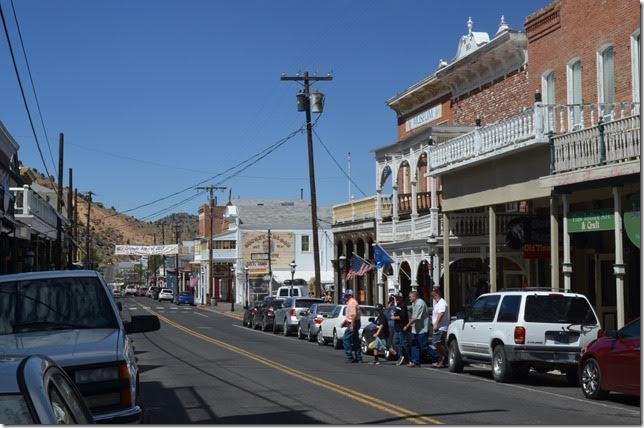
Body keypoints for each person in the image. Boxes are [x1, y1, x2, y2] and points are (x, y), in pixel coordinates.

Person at [403, 291, 430, 367]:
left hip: (422, 329)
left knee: (424, 346)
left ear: (415, 296)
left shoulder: (420, 303)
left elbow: (416, 318)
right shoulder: (414, 303)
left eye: (410, 296)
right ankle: (415, 361)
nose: (409, 298)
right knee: (414, 345)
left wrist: (407, 325)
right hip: (416, 329)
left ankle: (437, 356)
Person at [342, 289, 362, 363]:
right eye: (345, 296)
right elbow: (350, 316)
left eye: (347, 296)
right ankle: (358, 357)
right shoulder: (350, 302)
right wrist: (345, 322)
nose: (345, 297)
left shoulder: (352, 303)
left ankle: (350, 356)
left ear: (350, 295)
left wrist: (352, 325)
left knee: (345, 339)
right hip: (354, 322)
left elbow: (353, 315)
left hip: (354, 323)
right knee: (355, 340)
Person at [431, 287, 449, 368]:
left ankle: (444, 357)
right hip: (438, 327)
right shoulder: (438, 303)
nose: (433, 298)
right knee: (437, 343)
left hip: (441, 327)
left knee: (437, 342)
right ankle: (441, 359)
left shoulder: (442, 303)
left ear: (437, 294)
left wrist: (436, 324)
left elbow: (441, 314)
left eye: (433, 296)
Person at [391, 293, 411, 366]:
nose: (396, 299)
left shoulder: (403, 305)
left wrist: (394, 317)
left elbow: (403, 317)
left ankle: (408, 359)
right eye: (395, 298)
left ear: (401, 298)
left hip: (402, 328)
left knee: (403, 344)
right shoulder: (397, 306)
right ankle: (401, 356)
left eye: (398, 298)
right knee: (396, 342)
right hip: (397, 328)